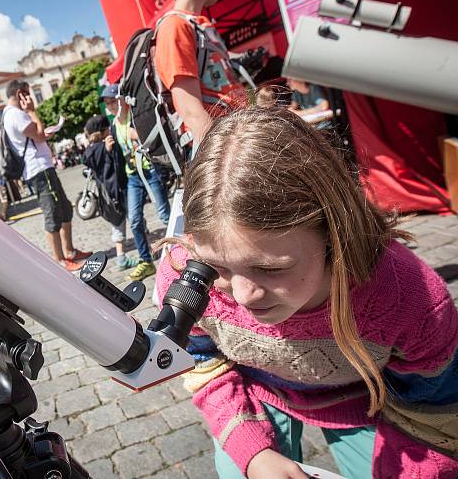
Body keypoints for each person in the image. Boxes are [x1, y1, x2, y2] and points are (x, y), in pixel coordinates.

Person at [155, 107, 458, 478]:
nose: (244, 295)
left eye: (269, 268)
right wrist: (252, 452)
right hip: (255, 392)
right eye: (216, 268)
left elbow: (431, 416)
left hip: (375, 403)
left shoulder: (410, 298)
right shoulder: (185, 280)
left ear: (334, 232)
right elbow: (205, 363)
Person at [154, 0, 246, 150]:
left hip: (236, 138)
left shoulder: (200, 24)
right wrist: (224, 156)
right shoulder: (174, 27)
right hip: (221, 151)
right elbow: (192, 112)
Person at [2, 79, 91, 272]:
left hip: (43, 168)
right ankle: (60, 261)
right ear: (20, 94)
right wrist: (32, 111)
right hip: (39, 170)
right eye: (28, 93)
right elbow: (39, 135)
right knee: (52, 214)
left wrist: (41, 130)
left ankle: (70, 252)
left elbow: (37, 133)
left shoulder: (12, 115)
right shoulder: (16, 115)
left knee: (65, 209)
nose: (31, 97)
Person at [102, 84, 171, 281]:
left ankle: (184, 253)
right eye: (107, 103)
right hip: (132, 176)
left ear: (122, 100)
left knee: (164, 215)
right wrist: (109, 150)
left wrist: (139, 137)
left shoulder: (135, 117)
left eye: (112, 101)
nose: (110, 106)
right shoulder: (114, 124)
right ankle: (146, 261)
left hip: (149, 171)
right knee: (134, 220)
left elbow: (152, 138)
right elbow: (119, 155)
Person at [83, 115, 137, 271]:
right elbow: (111, 168)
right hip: (117, 189)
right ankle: (124, 258)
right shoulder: (105, 145)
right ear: (103, 131)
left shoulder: (90, 150)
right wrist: (107, 151)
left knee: (118, 223)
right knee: (130, 220)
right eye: (108, 129)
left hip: (106, 193)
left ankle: (124, 256)